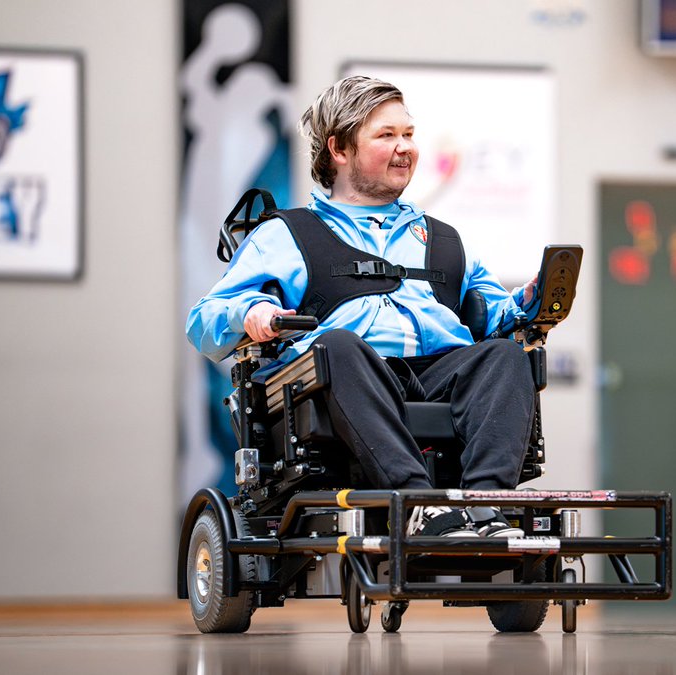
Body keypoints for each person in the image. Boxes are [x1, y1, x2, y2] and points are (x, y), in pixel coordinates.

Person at [187, 76, 538, 538]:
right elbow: (203, 320)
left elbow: (495, 316)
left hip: (437, 375)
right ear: (339, 149)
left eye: (408, 134)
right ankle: (419, 506)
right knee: (336, 346)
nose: (404, 147)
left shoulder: (443, 238)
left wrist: (529, 302)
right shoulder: (287, 234)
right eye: (386, 135)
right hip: (345, 377)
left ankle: (485, 507)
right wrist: (249, 312)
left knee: (507, 356)